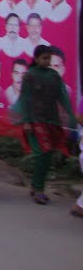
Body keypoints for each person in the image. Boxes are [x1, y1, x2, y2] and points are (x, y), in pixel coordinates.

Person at [13, 45, 80, 205]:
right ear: (36, 59)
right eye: (44, 58)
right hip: (35, 120)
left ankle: (36, 184)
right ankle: (39, 190)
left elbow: (62, 97)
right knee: (44, 152)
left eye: (49, 59)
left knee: (47, 155)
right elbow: (25, 99)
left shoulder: (54, 76)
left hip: (51, 120)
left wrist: (71, 116)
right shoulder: (30, 75)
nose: (47, 61)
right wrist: (27, 121)